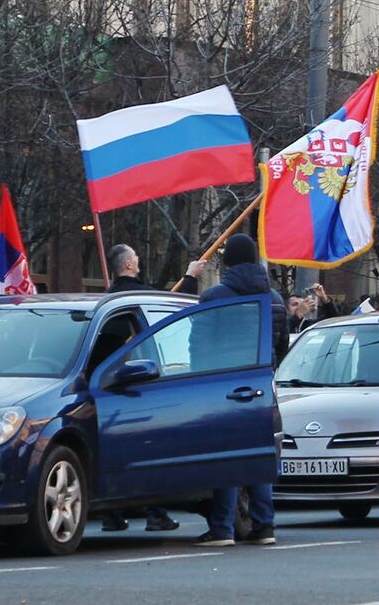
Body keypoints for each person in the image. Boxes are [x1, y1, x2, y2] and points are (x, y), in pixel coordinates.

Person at [192, 234, 286, 547]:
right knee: (260, 455)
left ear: (228, 262)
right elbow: (282, 344)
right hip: (263, 384)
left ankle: (222, 528)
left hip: (224, 385)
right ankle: (264, 526)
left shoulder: (214, 297)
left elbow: (198, 346)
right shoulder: (274, 298)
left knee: (227, 456)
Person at [99, 243, 199, 534]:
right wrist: (190, 276)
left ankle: (113, 514)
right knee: (151, 452)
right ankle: (156, 513)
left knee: (115, 453)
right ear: (129, 265)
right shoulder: (138, 298)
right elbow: (171, 315)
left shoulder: (106, 302)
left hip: (107, 391)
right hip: (143, 387)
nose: (139, 260)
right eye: (136, 258)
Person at [107, 243, 203, 296]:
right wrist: (191, 275)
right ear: (129, 264)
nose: (137, 258)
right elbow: (182, 308)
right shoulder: (144, 295)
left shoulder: (106, 296)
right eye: (135, 256)